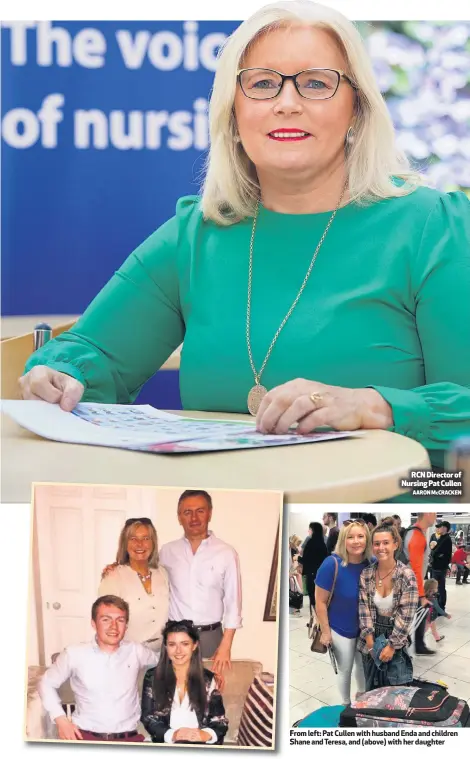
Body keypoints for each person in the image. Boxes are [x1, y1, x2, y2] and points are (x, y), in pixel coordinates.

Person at [19, 1, 470, 471]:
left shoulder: (434, 226)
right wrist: (58, 375)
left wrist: (372, 406)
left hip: (390, 508)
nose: (288, 102)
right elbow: (90, 355)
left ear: (357, 109)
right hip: (220, 501)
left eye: (316, 83)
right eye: (262, 84)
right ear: (233, 114)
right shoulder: (196, 234)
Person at [38, 596, 158, 742]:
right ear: (93, 624)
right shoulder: (74, 654)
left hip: (129, 738)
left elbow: (164, 662)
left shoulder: (136, 651)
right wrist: (60, 719)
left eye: (120, 620)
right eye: (106, 619)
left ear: (126, 626)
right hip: (85, 737)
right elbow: (46, 683)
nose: (114, 627)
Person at [158, 490, 242, 674]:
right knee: (173, 692)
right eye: (187, 512)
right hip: (176, 638)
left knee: (209, 694)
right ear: (179, 517)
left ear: (210, 513)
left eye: (200, 511)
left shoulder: (226, 553)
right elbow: (145, 574)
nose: (194, 518)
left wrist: (225, 645)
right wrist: (117, 566)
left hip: (210, 637)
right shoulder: (166, 552)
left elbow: (233, 603)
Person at [141, 620, 228, 744]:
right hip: (168, 746)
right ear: (165, 647)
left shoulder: (208, 679)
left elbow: (219, 721)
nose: (178, 651)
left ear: (194, 646)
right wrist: (173, 735)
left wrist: (206, 735)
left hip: (200, 747)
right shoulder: (153, 677)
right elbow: (149, 718)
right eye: (172, 644)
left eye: (185, 644)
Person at [315, 520, 371, 705]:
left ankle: (362, 699)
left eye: (360, 536)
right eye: (350, 537)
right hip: (340, 628)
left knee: (362, 667)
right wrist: (325, 631)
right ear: (343, 540)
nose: (356, 541)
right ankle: (345, 705)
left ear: (367, 539)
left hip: (365, 628)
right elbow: (320, 602)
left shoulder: (372, 563)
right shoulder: (332, 564)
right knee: (345, 669)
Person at [358, 524, 419, 690]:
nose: (381, 548)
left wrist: (392, 646)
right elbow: (364, 610)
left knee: (396, 694)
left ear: (395, 544)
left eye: (386, 542)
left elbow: (406, 615)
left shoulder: (406, 575)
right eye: (376, 544)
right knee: (372, 692)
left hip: (396, 638)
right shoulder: (367, 574)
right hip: (370, 637)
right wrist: (371, 645)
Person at [99, 518, 169, 651]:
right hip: (129, 652)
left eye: (146, 538)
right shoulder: (113, 577)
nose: (140, 544)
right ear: (125, 544)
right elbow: (105, 621)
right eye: (133, 539)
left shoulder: (163, 573)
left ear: (153, 543)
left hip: (162, 652)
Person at [403, 512, 437, 655]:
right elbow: (415, 568)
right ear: (427, 514)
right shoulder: (416, 536)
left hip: (409, 584)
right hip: (411, 586)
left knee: (414, 616)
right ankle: (415, 646)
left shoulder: (416, 533)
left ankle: (417, 645)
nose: (435, 516)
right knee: (414, 616)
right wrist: (422, 596)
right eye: (434, 513)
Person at [298, 521, 327, 610]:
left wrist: (299, 559)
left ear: (313, 530)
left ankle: (314, 619)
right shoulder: (323, 543)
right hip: (321, 574)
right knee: (320, 598)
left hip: (311, 573)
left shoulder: (310, 542)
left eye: (310, 529)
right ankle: (318, 620)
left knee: (312, 597)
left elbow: (306, 558)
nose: (308, 531)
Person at [430, 521, 453, 612]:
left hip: (440, 567)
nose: (439, 529)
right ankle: (437, 606)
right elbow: (434, 551)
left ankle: (441, 607)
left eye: (441, 527)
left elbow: (444, 554)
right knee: (436, 587)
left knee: (440, 588)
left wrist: (437, 555)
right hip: (436, 566)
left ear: (445, 528)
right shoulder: (441, 538)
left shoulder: (447, 539)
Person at [424, 578, 451, 643]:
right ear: (432, 590)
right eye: (436, 587)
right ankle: (417, 640)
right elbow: (437, 608)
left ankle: (437, 638)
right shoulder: (432, 598)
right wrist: (446, 615)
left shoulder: (425, 595)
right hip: (430, 617)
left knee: (433, 628)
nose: (437, 589)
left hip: (430, 616)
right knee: (424, 630)